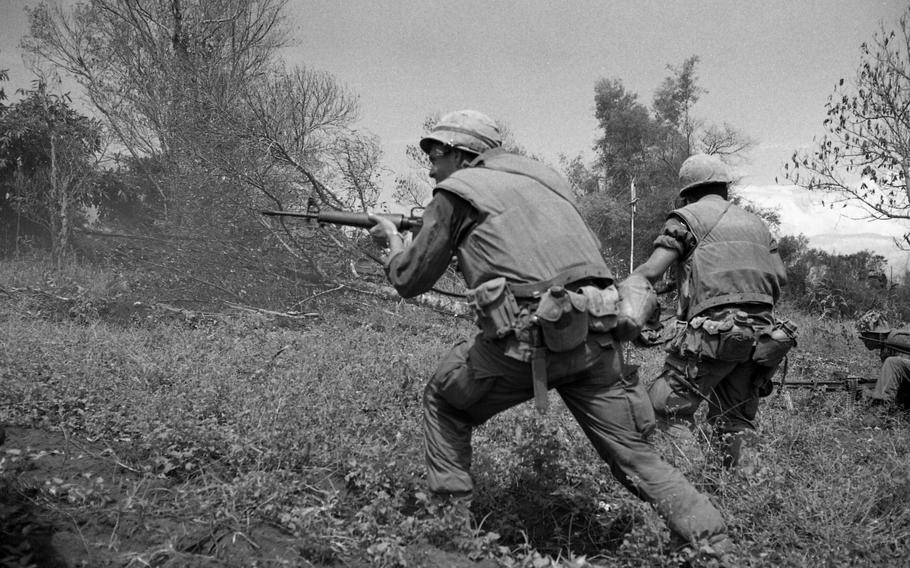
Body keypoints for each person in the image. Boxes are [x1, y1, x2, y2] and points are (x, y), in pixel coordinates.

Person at [368, 111, 734, 558]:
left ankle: (450, 535)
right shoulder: (550, 183)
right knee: (635, 456)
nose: (430, 166)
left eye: (436, 153)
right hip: (598, 335)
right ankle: (716, 547)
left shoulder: (457, 190)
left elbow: (409, 281)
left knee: (444, 403)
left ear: (464, 153)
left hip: (526, 340)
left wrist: (392, 244)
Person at [631, 153, 793, 469]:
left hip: (715, 332)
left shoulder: (685, 218)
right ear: (725, 188)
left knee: (667, 407)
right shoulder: (756, 222)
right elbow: (781, 277)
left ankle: (694, 491)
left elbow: (651, 271)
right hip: (763, 336)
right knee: (734, 418)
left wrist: (629, 287)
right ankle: (746, 496)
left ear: (688, 192)